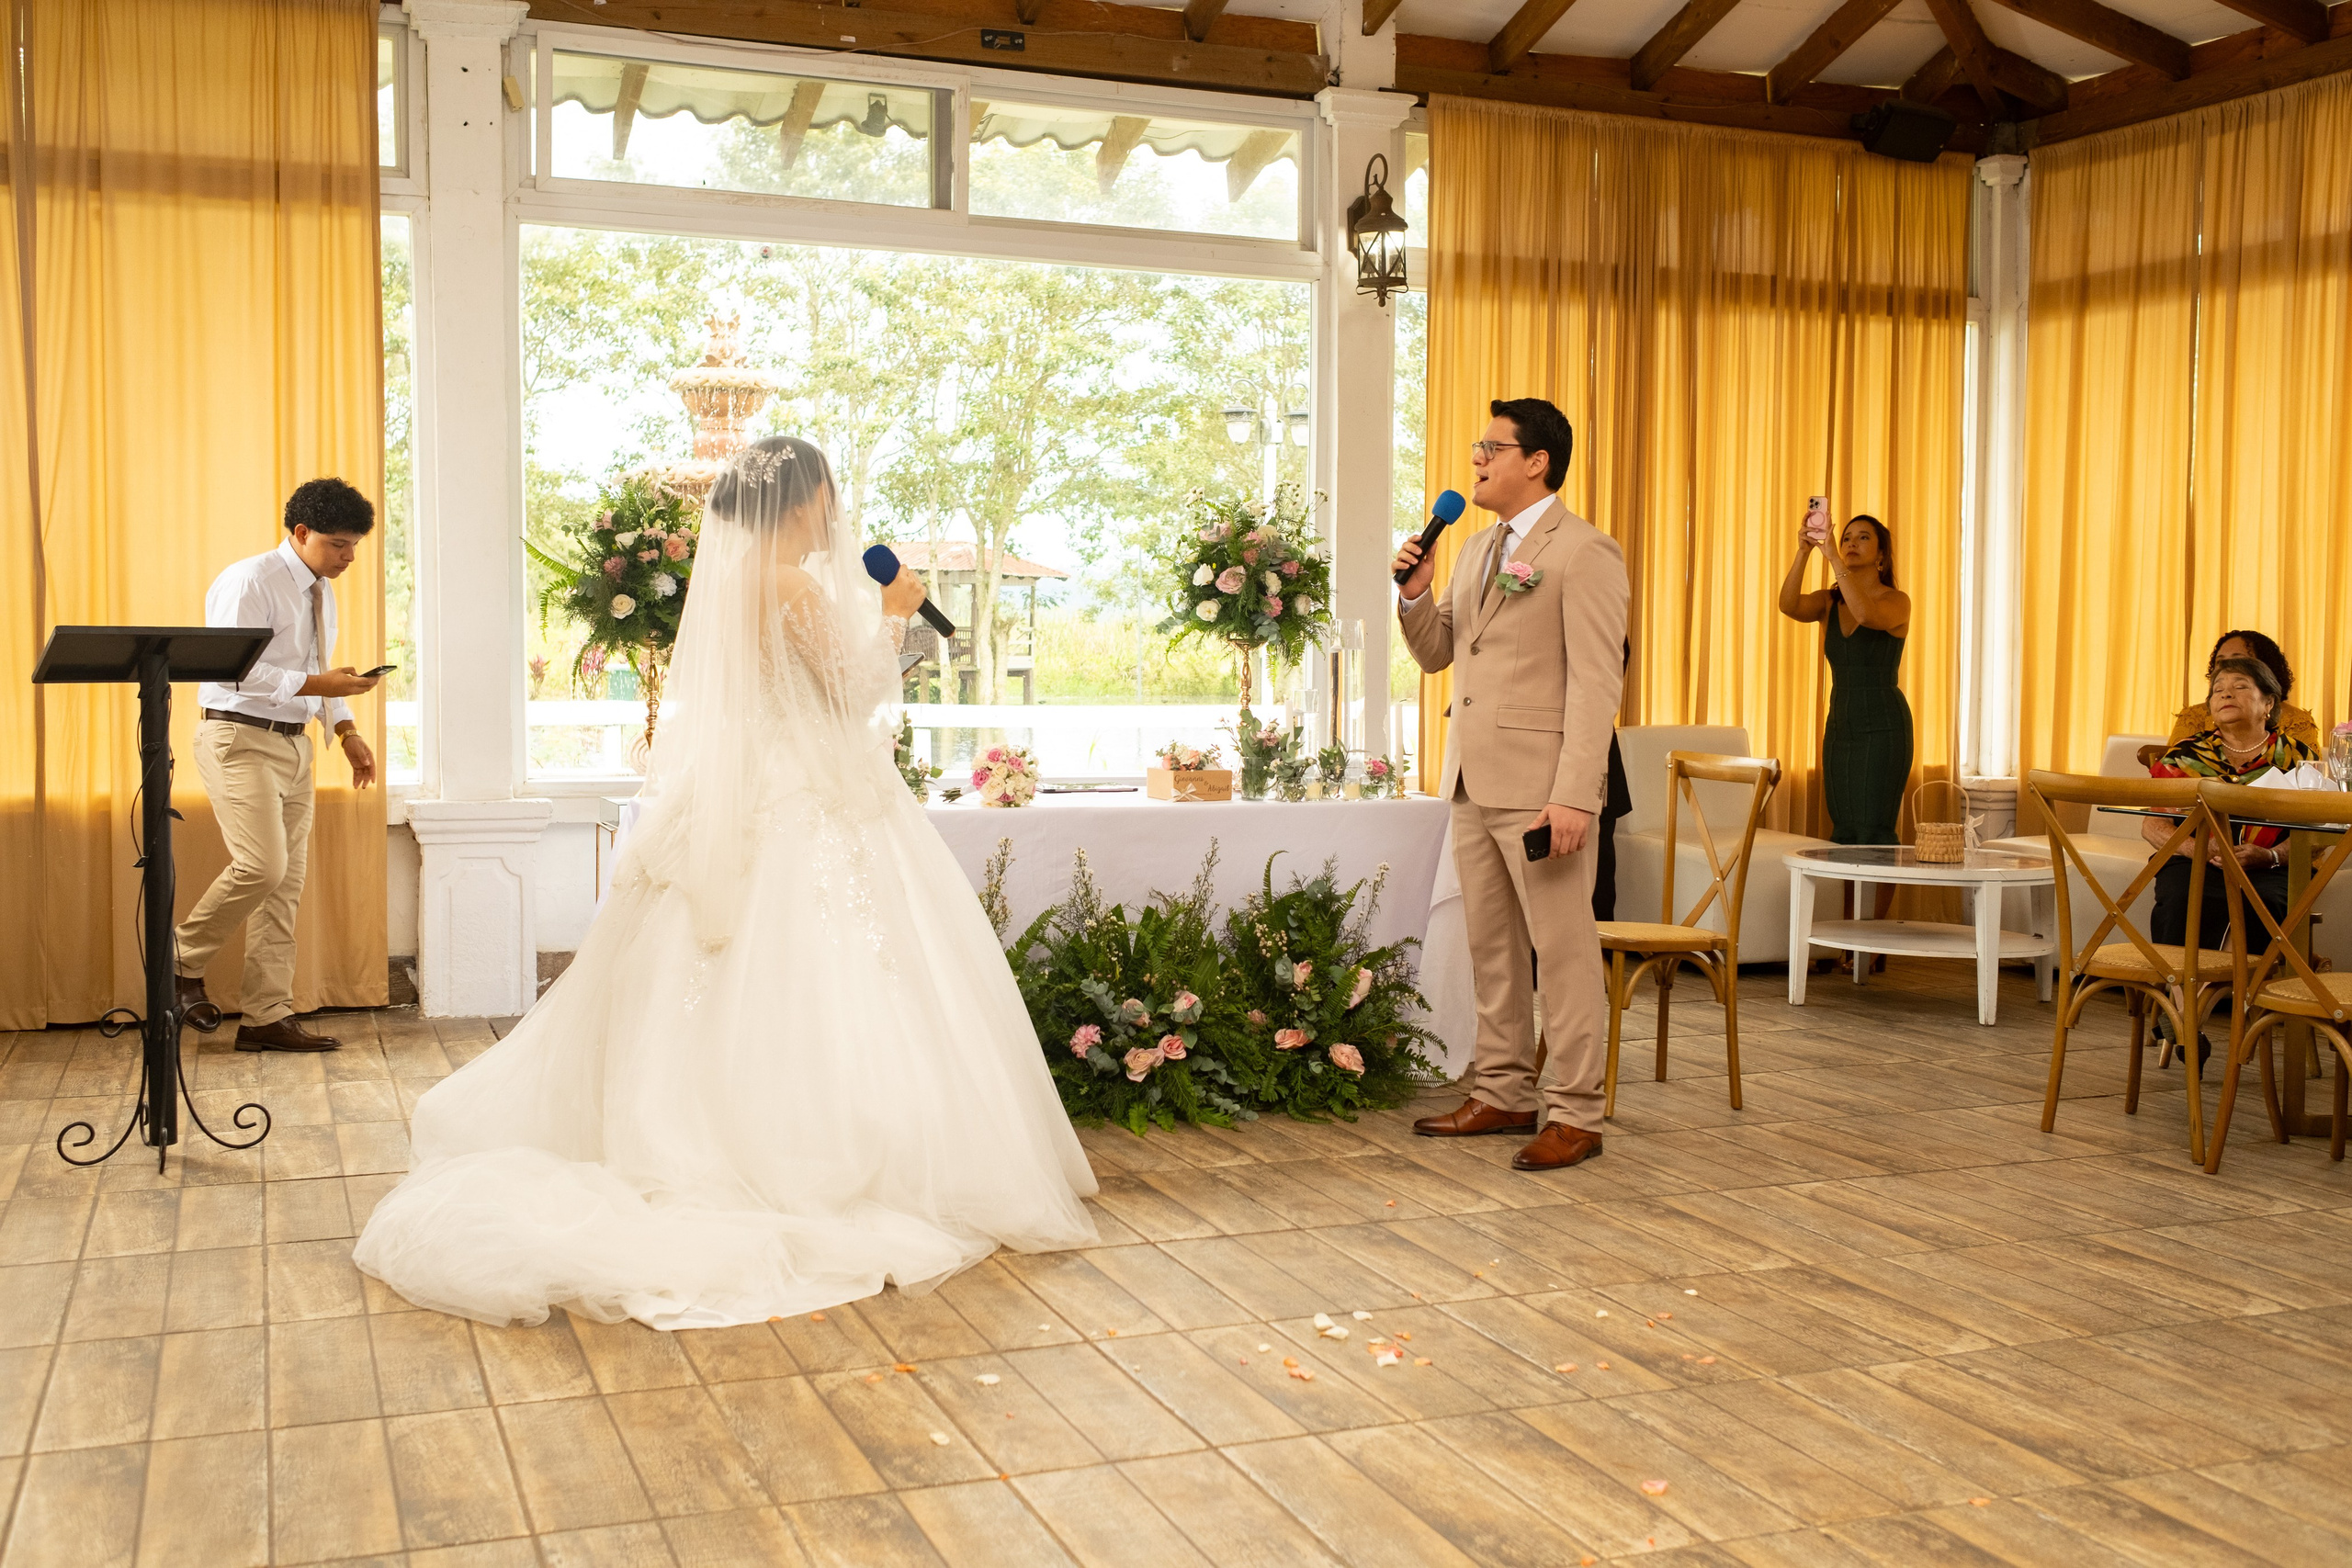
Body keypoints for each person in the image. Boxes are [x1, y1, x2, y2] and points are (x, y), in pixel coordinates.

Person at [354, 437, 1098, 1329]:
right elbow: (853, 690)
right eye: (827, 498)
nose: (835, 514)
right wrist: (898, 615)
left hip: (747, 792)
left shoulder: (742, 584)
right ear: (797, 504)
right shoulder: (790, 584)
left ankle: (680, 1123)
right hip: (805, 800)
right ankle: (814, 1149)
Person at [1391, 397, 1628, 1172]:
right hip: (1472, 777)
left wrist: (1576, 794)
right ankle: (1502, 1089)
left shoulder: (1584, 551)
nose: (1476, 460)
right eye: (1476, 446)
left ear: (1538, 461)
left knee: (1560, 952)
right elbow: (1437, 655)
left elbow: (1597, 684)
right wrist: (1416, 592)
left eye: (1491, 447)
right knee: (1493, 949)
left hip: (1541, 789)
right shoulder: (1473, 548)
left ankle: (1578, 1112)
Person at [175, 479, 381, 1051]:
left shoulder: (320, 589)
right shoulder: (250, 581)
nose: (349, 557)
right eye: (340, 544)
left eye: (355, 545)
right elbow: (224, 670)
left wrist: (346, 729)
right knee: (261, 867)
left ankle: (267, 1016)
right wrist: (319, 683)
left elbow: (321, 665)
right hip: (239, 738)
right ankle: (178, 959)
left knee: (284, 887)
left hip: (295, 745)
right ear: (301, 532)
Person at [2142, 656, 2316, 1065]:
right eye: (2219, 689)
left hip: (2271, 865)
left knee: (2266, 905)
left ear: (2269, 702)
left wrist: (2270, 854)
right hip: (2197, 859)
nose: (2225, 694)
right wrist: (2196, 849)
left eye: (2239, 686)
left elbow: (2315, 836)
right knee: (2180, 896)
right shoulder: (2184, 756)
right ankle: (2196, 1016)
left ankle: (2187, 1014)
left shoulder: (2298, 758)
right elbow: (2152, 827)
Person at [1777, 511, 1912, 850]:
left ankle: (1879, 907)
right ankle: (1850, 907)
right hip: (1841, 728)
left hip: (1884, 727)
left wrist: (1834, 556)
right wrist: (1805, 551)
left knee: (1876, 834)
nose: (1851, 542)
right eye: (1847, 537)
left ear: (1881, 555)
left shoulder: (1897, 601)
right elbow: (1788, 604)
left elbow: (1866, 614)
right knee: (1845, 833)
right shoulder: (1827, 602)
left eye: (1863, 537)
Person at [2167, 630, 2319, 751]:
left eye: (2239, 660)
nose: (2226, 667)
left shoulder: (2296, 726)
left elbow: (2308, 784)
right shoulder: (2192, 720)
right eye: (2220, 661)